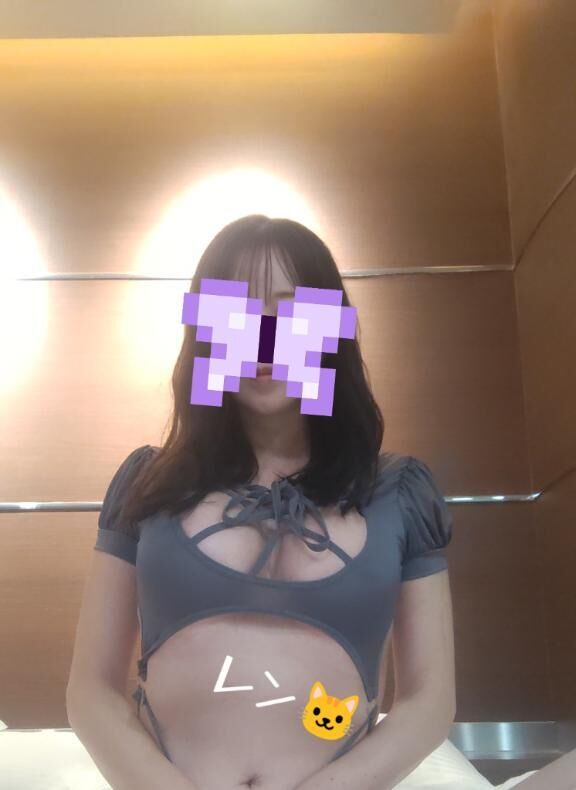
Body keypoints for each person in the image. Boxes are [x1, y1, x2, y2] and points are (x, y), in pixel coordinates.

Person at [68, 215, 462, 790]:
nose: (263, 339)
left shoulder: (397, 493)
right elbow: (91, 690)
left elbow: (429, 701)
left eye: (290, 313)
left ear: (330, 330)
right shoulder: (147, 484)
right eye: (238, 314)